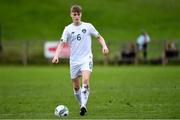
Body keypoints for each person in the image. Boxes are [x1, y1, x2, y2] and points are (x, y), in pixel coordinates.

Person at [52, 5, 109, 116]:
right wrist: (56, 55)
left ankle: (83, 106)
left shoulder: (88, 26)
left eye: (78, 14)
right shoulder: (67, 29)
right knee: (76, 86)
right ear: (71, 15)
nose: (76, 16)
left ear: (81, 14)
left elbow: (99, 37)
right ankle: (82, 105)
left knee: (86, 80)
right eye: (74, 14)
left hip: (86, 58)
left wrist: (104, 46)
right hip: (74, 61)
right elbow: (61, 43)